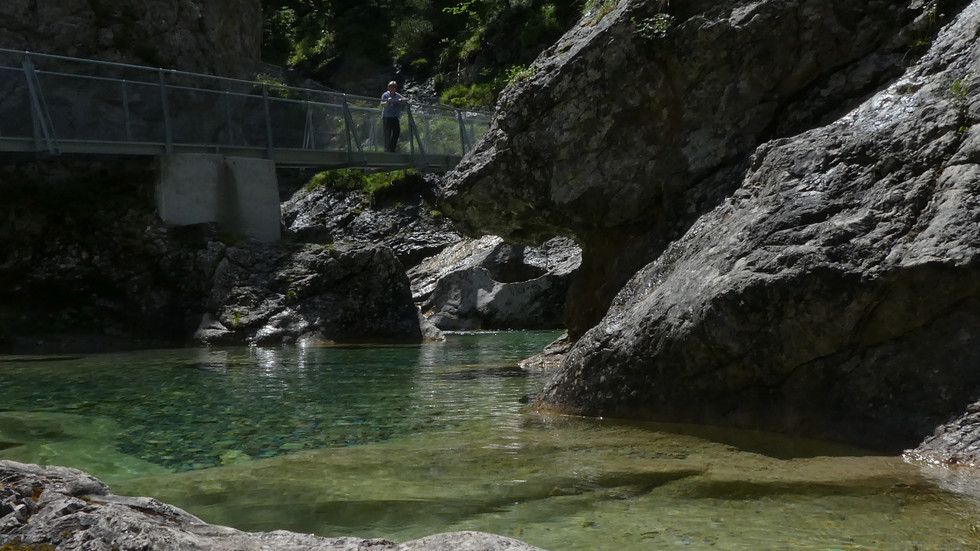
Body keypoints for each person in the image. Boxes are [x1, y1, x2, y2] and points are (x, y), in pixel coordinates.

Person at [380, 80, 408, 152]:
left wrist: (401, 100)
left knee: (396, 132)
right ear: (388, 88)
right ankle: (387, 149)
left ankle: (392, 148)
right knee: (387, 133)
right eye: (390, 87)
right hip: (386, 117)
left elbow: (405, 99)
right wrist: (387, 101)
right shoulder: (385, 95)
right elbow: (382, 105)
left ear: (395, 88)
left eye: (394, 87)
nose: (392, 88)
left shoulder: (397, 95)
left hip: (395, 117)